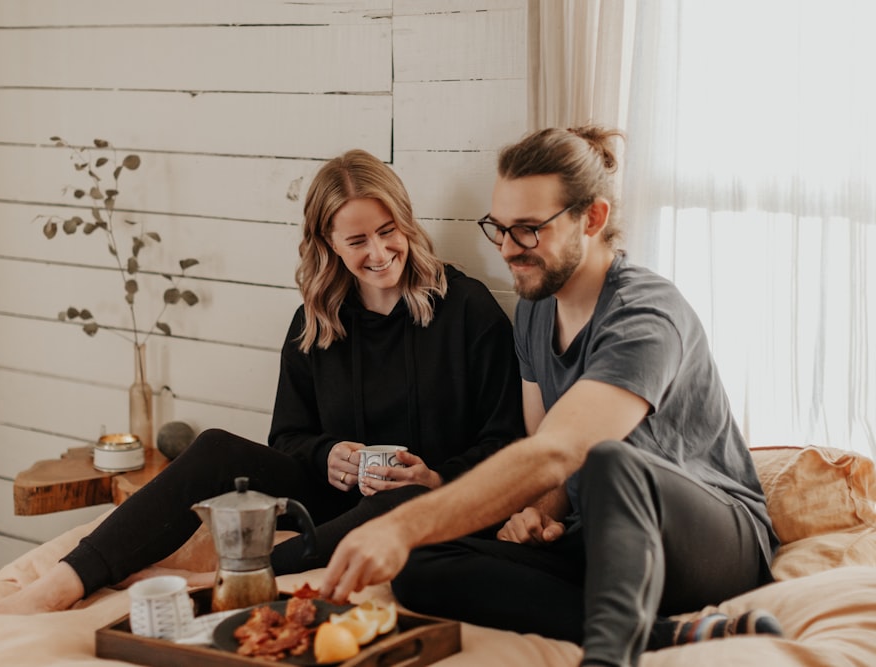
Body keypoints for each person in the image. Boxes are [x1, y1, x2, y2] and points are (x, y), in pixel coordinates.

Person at [0, 148, 524, 615]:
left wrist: (433, 479)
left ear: (407, 222)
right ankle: (61, 583)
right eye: (357, 240)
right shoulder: (318, 320)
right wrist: (325, 454)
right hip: (331, 503)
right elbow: (285, 439)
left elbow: (506, 444)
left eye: (388, 232)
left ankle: (223, 582)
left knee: (397, 501)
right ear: (328, 243)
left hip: (425, 505)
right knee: (215, 448)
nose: (378, 253)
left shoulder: (469, 311)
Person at [319, 127, 782, 667]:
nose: (509, 249)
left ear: (592, 218)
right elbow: (543, 449)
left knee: (612, 461)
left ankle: (607, 658)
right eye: (500, 227)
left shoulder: (646, 315)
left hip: (711, 542)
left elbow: (562, 449)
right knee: (422, 566)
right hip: (604, 542)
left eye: (530, 230)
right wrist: (539, 512)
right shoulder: (536, 309)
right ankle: (665, 636)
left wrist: (399, 524)